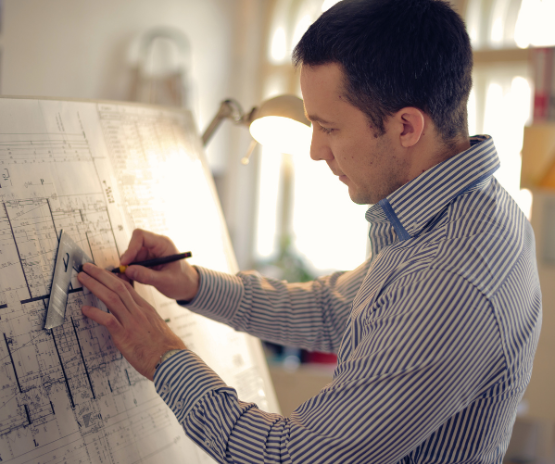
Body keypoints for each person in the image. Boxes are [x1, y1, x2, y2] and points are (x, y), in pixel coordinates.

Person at [77, 0, 542, 462]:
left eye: (329, 128)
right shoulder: (471, 208)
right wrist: (193, 284)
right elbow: (332, 310)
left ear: (406, 126)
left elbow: (292, 457)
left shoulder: (447, 275)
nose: (317, 150)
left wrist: (163, 355)